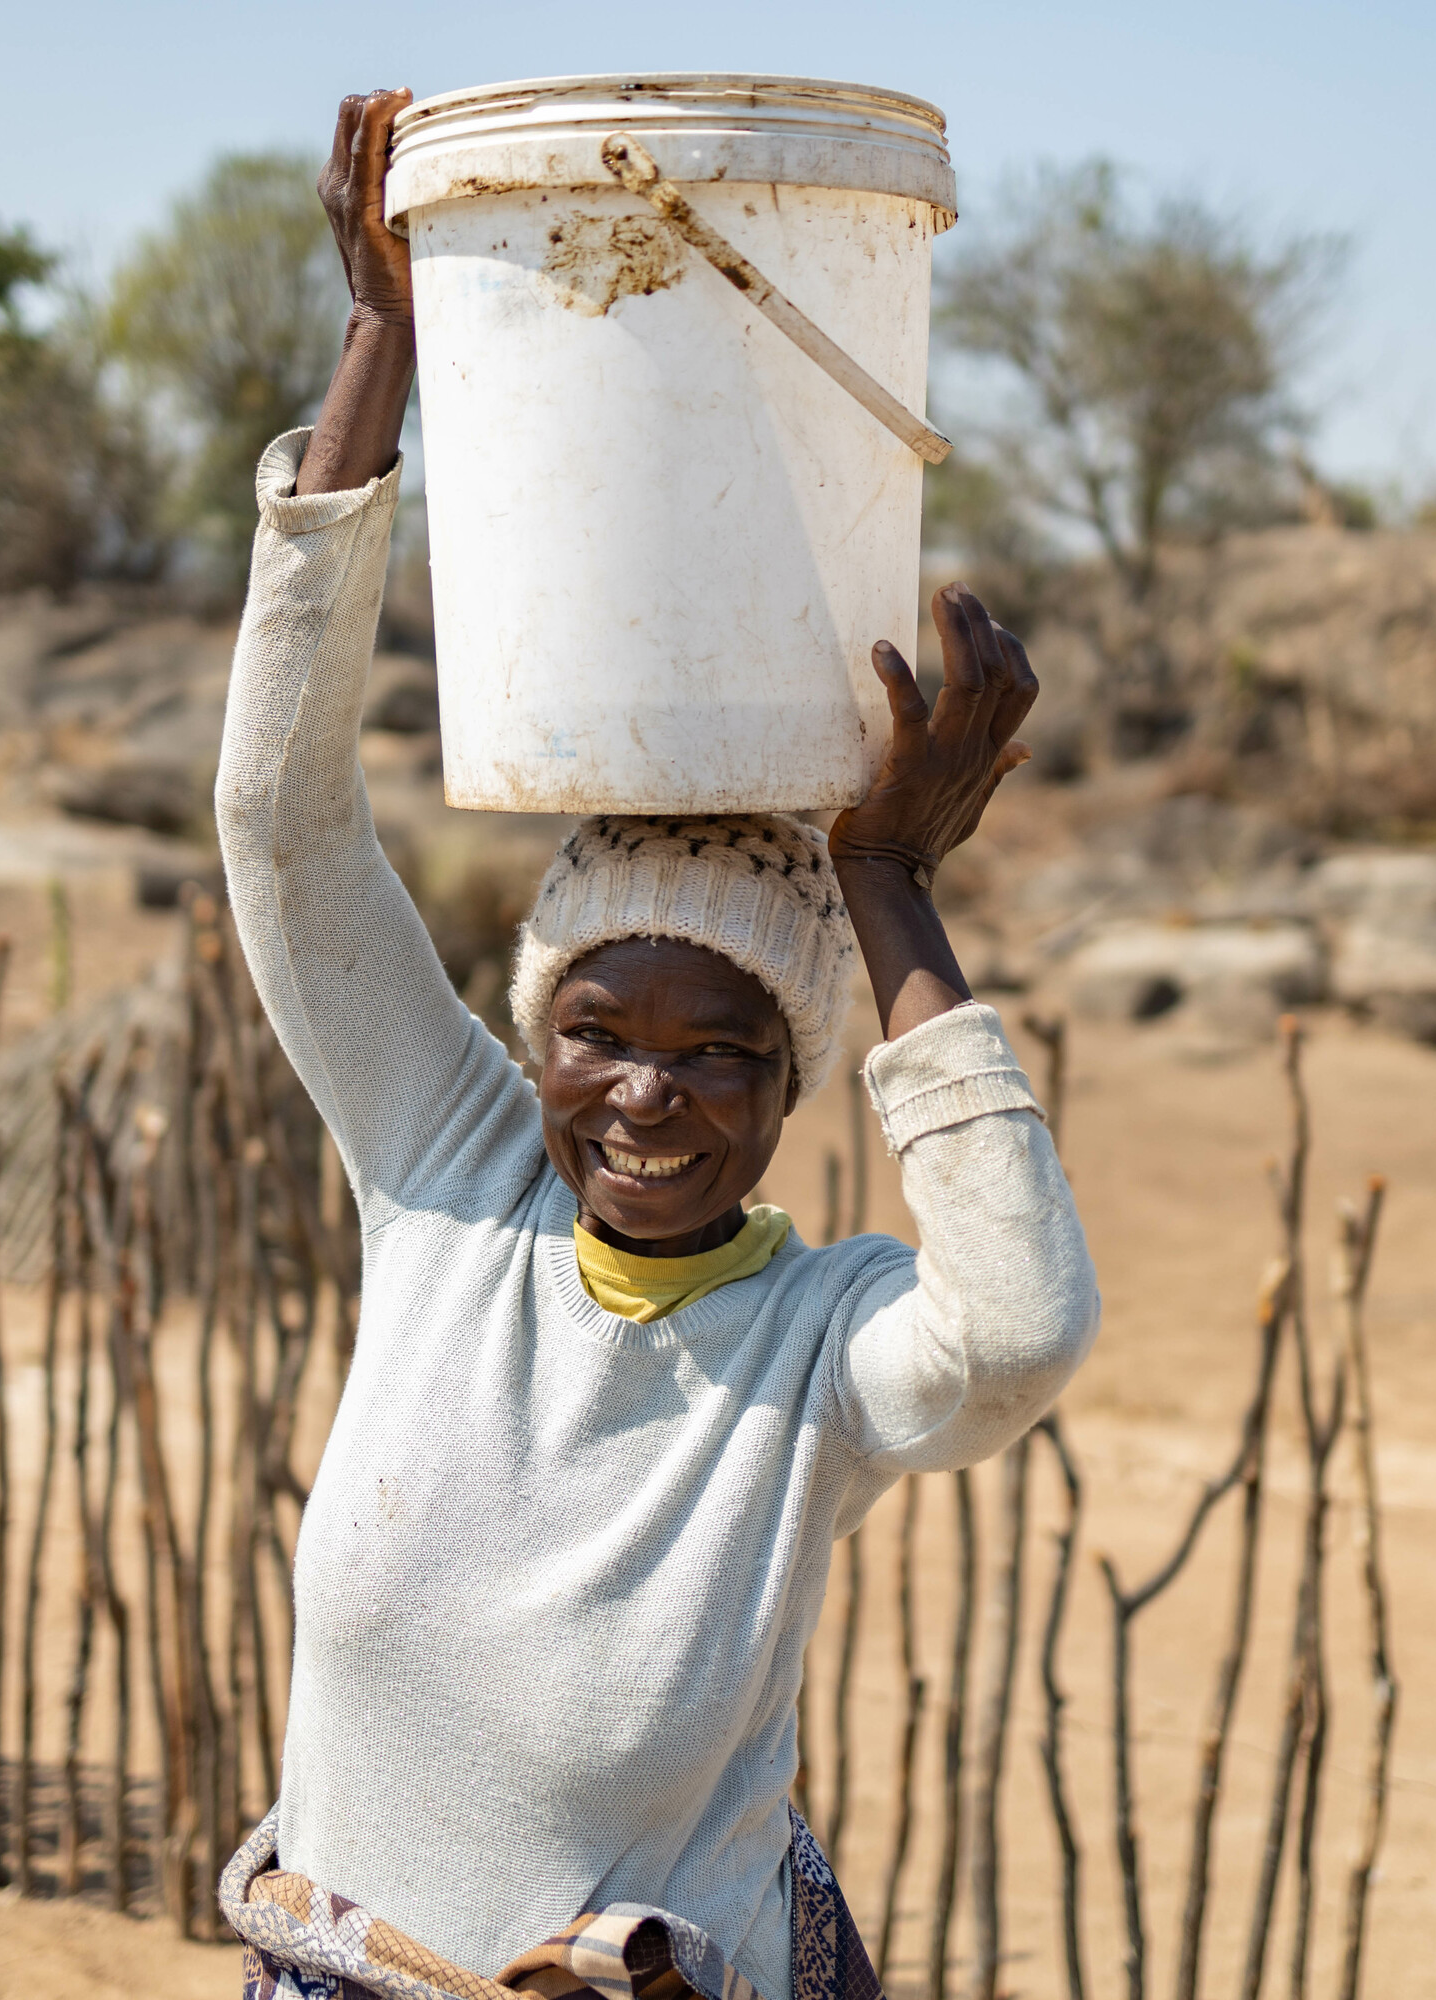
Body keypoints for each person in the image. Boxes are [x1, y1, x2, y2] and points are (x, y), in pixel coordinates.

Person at [215, 86, 1099, 2000]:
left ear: (796, 1088)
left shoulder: (819, 1353)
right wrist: (390, 333)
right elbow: (284, 831)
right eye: (600, 1029)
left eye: (723, 1052)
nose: (647, 1092)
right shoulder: (452, 1186)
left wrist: (883, 882)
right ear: (532, 1040)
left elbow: (1022, 1331)